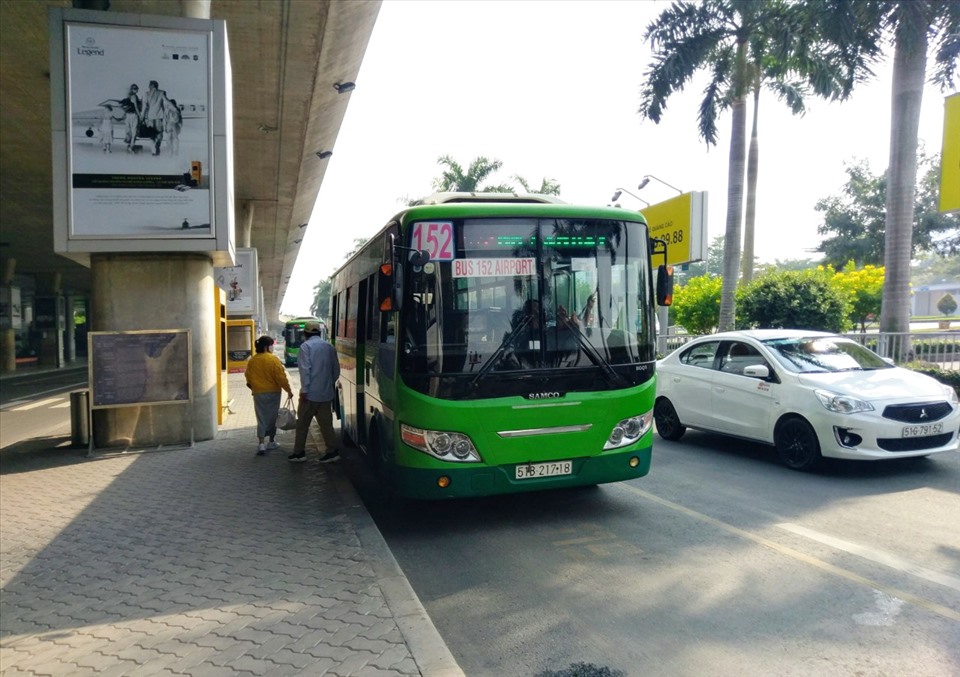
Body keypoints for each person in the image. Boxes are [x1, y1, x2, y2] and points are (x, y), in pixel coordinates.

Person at [289, 321, 341, 463]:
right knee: (326, 425)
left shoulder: (306, 347)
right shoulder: (329, 347)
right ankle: (332, 451)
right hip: (326, 394)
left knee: (302, 425)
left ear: (305, 334)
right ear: (319, 333)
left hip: (310, 395)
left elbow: (305, 370)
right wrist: (328, 384)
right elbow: (336, 370)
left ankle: (299, 453)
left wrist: (304, 390)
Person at [245, 335, 293, 455]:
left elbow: (248, 376)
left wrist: (253, 386)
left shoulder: (252, 360)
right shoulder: (273, 360)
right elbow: (281, 377)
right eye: (271, 345)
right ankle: (271, 441)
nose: (272, 347)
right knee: (272, 417)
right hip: (273, 393)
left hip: (258, 393)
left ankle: (261, 444)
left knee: (261, 417)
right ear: (267, 347)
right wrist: (289, 390)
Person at [140, 80, 167, 156]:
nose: (148, 87)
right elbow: (165, 104)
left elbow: (144, 107)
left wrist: (142, 117)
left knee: (152, 135)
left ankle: (153, 151)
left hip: (150, 117)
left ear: (151, 86)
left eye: (149, 85)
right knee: (159, 134)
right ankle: (157, 146)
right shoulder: (162, 93)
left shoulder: (146, 94)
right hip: (159, 117)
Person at [120, 84, 141, 152]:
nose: (137, 90)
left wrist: (124, 113)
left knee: (129, 131)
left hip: (128, 115)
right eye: (136, 89)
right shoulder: (134, 96)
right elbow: (136, 107)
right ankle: (131, 147)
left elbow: (121, 106)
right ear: (133, 89)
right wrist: (139, 115)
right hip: (134, 115)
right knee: (134, 131)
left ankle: (130, 144)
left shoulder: (128, 97)